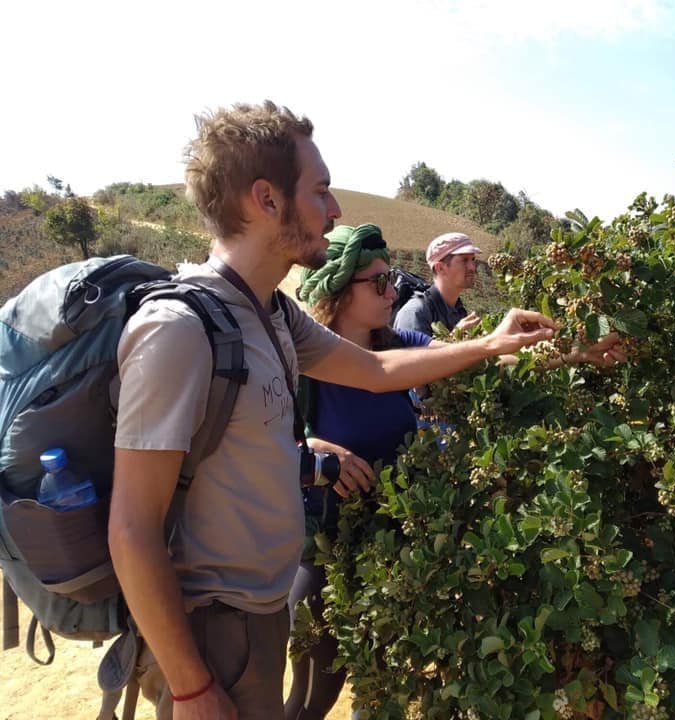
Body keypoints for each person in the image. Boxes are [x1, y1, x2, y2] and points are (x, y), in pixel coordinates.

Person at [106, 101, 575, 720]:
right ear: (266, 199)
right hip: (213, 625)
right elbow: (132, 528)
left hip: (261, 612)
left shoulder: (273, 314)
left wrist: (490, 344)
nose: (335, 210)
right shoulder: (180, 329)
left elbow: (377, 370)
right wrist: (191, 686)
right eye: (321, 190)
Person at [285, 222, 626, 720]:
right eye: (378, 283)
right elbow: (261, 437)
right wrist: (313, 447)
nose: (392, 290)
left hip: (391, 553)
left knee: (381, 688)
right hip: (327, 551)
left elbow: (480, 362)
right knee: (313, 695)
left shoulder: (397, 341)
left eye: (391, 280)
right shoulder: (304, 360)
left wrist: (575, 350)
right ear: (338, 293)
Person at [392, 232, 483, 336]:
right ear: (440, 268)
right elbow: (414, 353)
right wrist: (455, 335)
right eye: (464, 260)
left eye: (473, 260)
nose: (472, 267)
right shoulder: (415, 313)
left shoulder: (459, 311)